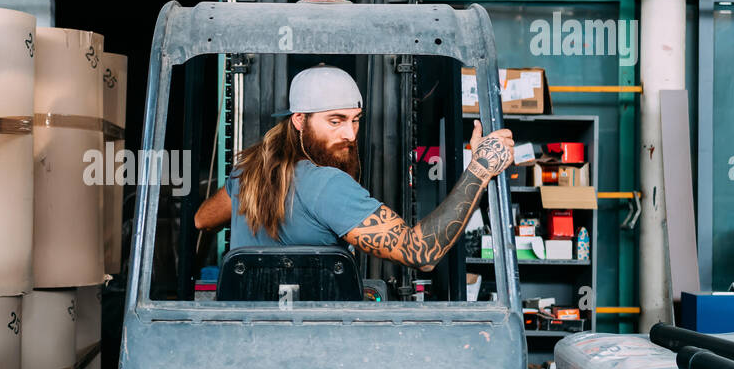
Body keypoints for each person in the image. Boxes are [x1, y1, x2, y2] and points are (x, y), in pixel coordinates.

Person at [194, 65, 515, 272]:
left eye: (355, 120)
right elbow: (420, 253)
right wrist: (479, 169)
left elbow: (202, 219)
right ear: (299, 120)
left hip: (248, 333)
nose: (349, 134)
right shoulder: (327, 185)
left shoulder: (249, 172)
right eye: (335, 121)